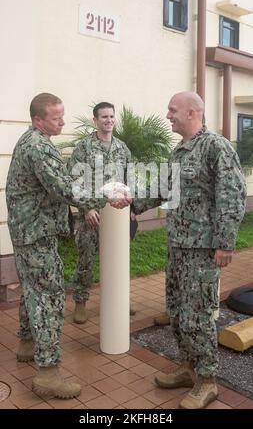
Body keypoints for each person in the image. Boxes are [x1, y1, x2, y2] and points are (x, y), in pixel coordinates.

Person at [5, 93, 129, 400]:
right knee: (49, 296)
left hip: (30, 231)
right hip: (36, 232)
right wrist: (105, 198)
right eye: (56, 118)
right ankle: (48, 372)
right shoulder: (38, 146)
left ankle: (26, 344)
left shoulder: (35, 140)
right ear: (38, 120)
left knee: (32, 289)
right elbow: (64, 186)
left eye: (63, 116)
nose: (62, 121)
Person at [132, 91, 246, 409]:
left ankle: (208, 380)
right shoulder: (180, 151)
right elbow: (164, 187)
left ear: (193, 113)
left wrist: (225, 243)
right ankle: (187, 367)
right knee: (178, 313)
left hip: (202, 249)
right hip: (178, 246)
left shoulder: (215, 147)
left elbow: (232, 195)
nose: (168, 115)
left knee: (198, 317)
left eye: (173, 110)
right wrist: (132, 203)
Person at [68, 101, 136, 324]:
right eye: (104, 117)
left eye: (111, 116)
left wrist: (132, 208)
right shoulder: (84, 147)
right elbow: (74, 181)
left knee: (118, 258)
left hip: (117, 215)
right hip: (92, 215)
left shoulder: (121, 148)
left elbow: (130, 178)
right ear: (95, 120)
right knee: (86, 259)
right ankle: (80, 301)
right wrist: (86, 207)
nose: (108, 120)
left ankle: (119, 299)